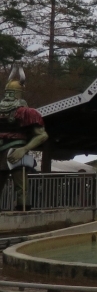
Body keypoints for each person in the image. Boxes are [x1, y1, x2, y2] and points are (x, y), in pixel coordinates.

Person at [0, 75, 47, 210]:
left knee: (21, 188)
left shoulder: (26, 112)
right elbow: (42, 135)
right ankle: (23, 209)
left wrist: (24, 149)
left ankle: (23, 209)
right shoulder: (27, 112)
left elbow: (42, 136)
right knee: (21, 187)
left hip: (16, 151)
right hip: (16, 150)